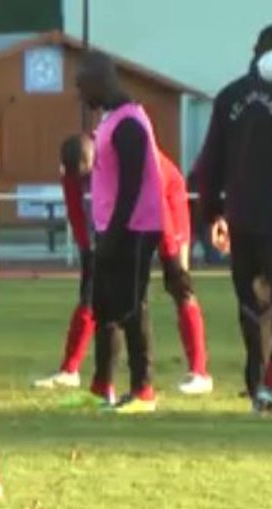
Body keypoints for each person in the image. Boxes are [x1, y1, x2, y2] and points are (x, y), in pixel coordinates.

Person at [33, 134, 212, 397]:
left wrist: (171, 254)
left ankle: (199, 372)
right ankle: (70, 370)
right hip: (128, 215)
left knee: (179, 284)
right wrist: (87, 251)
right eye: (79, 179)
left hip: (165, 198)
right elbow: (75, 211)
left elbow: (156, 200)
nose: (83, 184)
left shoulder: (126, 158)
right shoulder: (74, 170)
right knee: (93, 290)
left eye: (86, 177)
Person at [193, 25, 272, 413]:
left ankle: (258, 390)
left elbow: (208, 163)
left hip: (241, 219)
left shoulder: (229, 95)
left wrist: (212, 213)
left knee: (254, 308)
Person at [75, 52, 166, 414]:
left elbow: (132, 185)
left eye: (82, 87)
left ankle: (143, 389)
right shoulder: (111, 119)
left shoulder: (130, 123)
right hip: (112, 229)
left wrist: (114, 233)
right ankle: (102, 388)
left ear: (101, 81)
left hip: (134, 229)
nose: (80, 96)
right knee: (105, 308)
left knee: (131, 306)